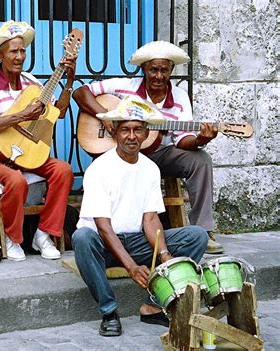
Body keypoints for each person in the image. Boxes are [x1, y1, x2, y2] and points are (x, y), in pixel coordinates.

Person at [71, 100, 208, 336]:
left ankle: (153, 305)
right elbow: (103, 226)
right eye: (125, 129)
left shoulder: (150, 168)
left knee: (197, 235)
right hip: (103, 245)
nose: (131, 136)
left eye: (137, 130)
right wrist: (132, 267)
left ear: (146, 133)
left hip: (136, 241)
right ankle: (109, 311)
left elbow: (150, 219)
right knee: (82, 237)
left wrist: (164, 255)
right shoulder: (99, 168)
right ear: (114, 132)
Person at [72, 40, 223, 254]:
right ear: (143, 69)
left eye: (164, 70)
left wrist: (201, 139)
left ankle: (203, 230)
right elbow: (80, 92)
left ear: (171, 70)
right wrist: (104, 115)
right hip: (121, 155)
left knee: (201, 159)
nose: (159, 76)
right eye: (153, 69)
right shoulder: (124, 87)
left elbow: (182, 140)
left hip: (158, 154)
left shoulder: (179, 98)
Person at [0, 21, 75, 261]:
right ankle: (12, 238)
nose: (20, 56)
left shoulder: (32, 83)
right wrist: (21, 115)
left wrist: (69, 80)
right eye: (13, 51)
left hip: (30, 157)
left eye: (22, 51)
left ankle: (43, 234)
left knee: (63, 170)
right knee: (15, 180)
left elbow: (57, 112)